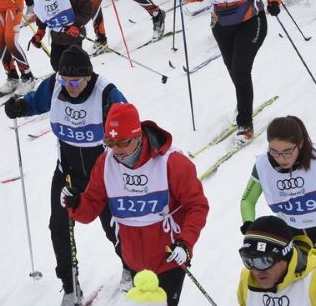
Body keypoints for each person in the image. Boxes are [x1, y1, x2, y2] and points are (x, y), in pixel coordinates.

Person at [4, 46, 130, 301]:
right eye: (65, 79)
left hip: (104, 176)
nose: (69, 85)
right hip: (68, 174)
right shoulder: (55, 86)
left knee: (112, 226)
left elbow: (128, 125)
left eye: (75, 81)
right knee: (59, 227)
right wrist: (19, 107)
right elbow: (35, 102)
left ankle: (130, 266)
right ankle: (71, 286)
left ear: (88, 76)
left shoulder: (106, 93)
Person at [64, 102, 209, 305]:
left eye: (122, 142)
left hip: (169, 257)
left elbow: (197, 205)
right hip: (133, 260)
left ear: (138, 136)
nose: (116, 150)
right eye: (110, 141)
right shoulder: (105, 163)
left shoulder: (173, 162)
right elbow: (89, 209)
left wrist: (185, 244)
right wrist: (75, 203)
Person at [174, 0, 281, 145]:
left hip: (251, 21)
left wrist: (273, 2)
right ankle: (244, 102)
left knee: (241, 70)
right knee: (233, 69)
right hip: (222, 25)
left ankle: (245, 123)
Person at [240, 116, 316, 281]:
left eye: (287, 151)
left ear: (300, 144)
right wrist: (249, 224)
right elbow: (247, 200)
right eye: (274, 151)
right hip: (292, 245)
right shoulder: (263, 166)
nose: (281, 158)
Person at [237, 215, 316, 304]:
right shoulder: (247, 278)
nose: (256, 271)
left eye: (264, 261)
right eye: (248, 261)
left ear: (284, 255)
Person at [27, 0, 95, 72]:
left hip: (73, 36)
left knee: (73, 67)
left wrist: (77, 24)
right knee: (56, 65)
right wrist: (40, 31)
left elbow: (88, 7)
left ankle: (83, 82)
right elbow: (42, 14)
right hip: (57, 38)